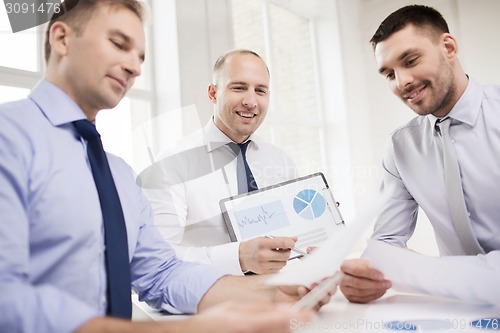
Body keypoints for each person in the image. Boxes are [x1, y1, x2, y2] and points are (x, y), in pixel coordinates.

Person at [0, 1, 333, 332]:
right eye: (119, 44)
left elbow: (162, 274)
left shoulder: (119, 176)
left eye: (140, 56)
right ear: (61, 39)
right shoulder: (9, 138)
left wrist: (275, 294)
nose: (134, 67)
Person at [340, 4, 500, 303]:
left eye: (410, 61)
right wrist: (364, 277)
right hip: (462, 315)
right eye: (389, 74)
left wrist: (418, 271)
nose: (402, 83)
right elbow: (384, 247)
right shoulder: (402, 147)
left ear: (448, 47)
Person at [140, 49, 299, 275]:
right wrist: (238, 258)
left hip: (281, 295)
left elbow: (296, 235)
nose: (251, 101)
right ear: (213, 93)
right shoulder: (171, 165)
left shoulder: (281, 161)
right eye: (239, 88)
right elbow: (157, 256)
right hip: (208, 301)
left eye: (260, 90)